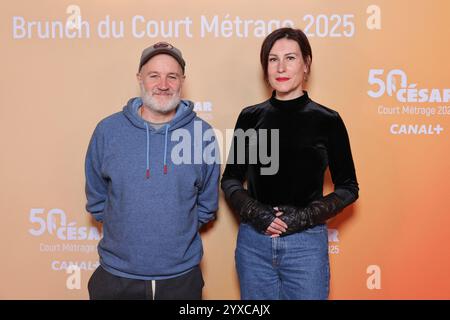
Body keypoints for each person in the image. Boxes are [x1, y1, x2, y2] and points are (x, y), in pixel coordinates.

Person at [221, 27, 359, 300]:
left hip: (306, 244)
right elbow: (231, 179)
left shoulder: (327, 120)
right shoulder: (250, 117)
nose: (281, 67)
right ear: (265, 67)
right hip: (254, 244)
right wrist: (257, 213)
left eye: (290, 58)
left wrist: (304, 217)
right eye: (273, 59)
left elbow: (348, 187)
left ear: (306, 64)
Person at [85, 41, 220, 300]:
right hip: (116, 277)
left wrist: (175, 231)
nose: (163, 84)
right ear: (140, 79)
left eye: (172, 76)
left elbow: (206, 204)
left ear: (182, 81)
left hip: (181, 278)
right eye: (154, 76)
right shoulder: (108, 131)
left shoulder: (202, 134)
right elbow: (97, 199)